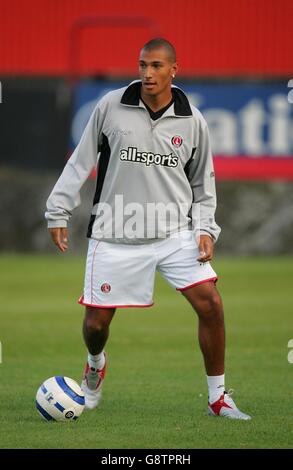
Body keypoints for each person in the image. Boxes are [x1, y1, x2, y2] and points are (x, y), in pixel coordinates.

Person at [45, 38, 251, 420]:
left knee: (211, 304)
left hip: (174, 234)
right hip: (115, 233)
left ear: (174, 69)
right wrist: (58, 210)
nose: (147, 73)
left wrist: (206, 229)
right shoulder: (110, 105)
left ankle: (218, 398)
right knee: (95, 325)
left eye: (156, 66)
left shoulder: (193, 120)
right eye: (142, 65)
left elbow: (204, 183)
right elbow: (80, 160)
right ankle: (94, 364)